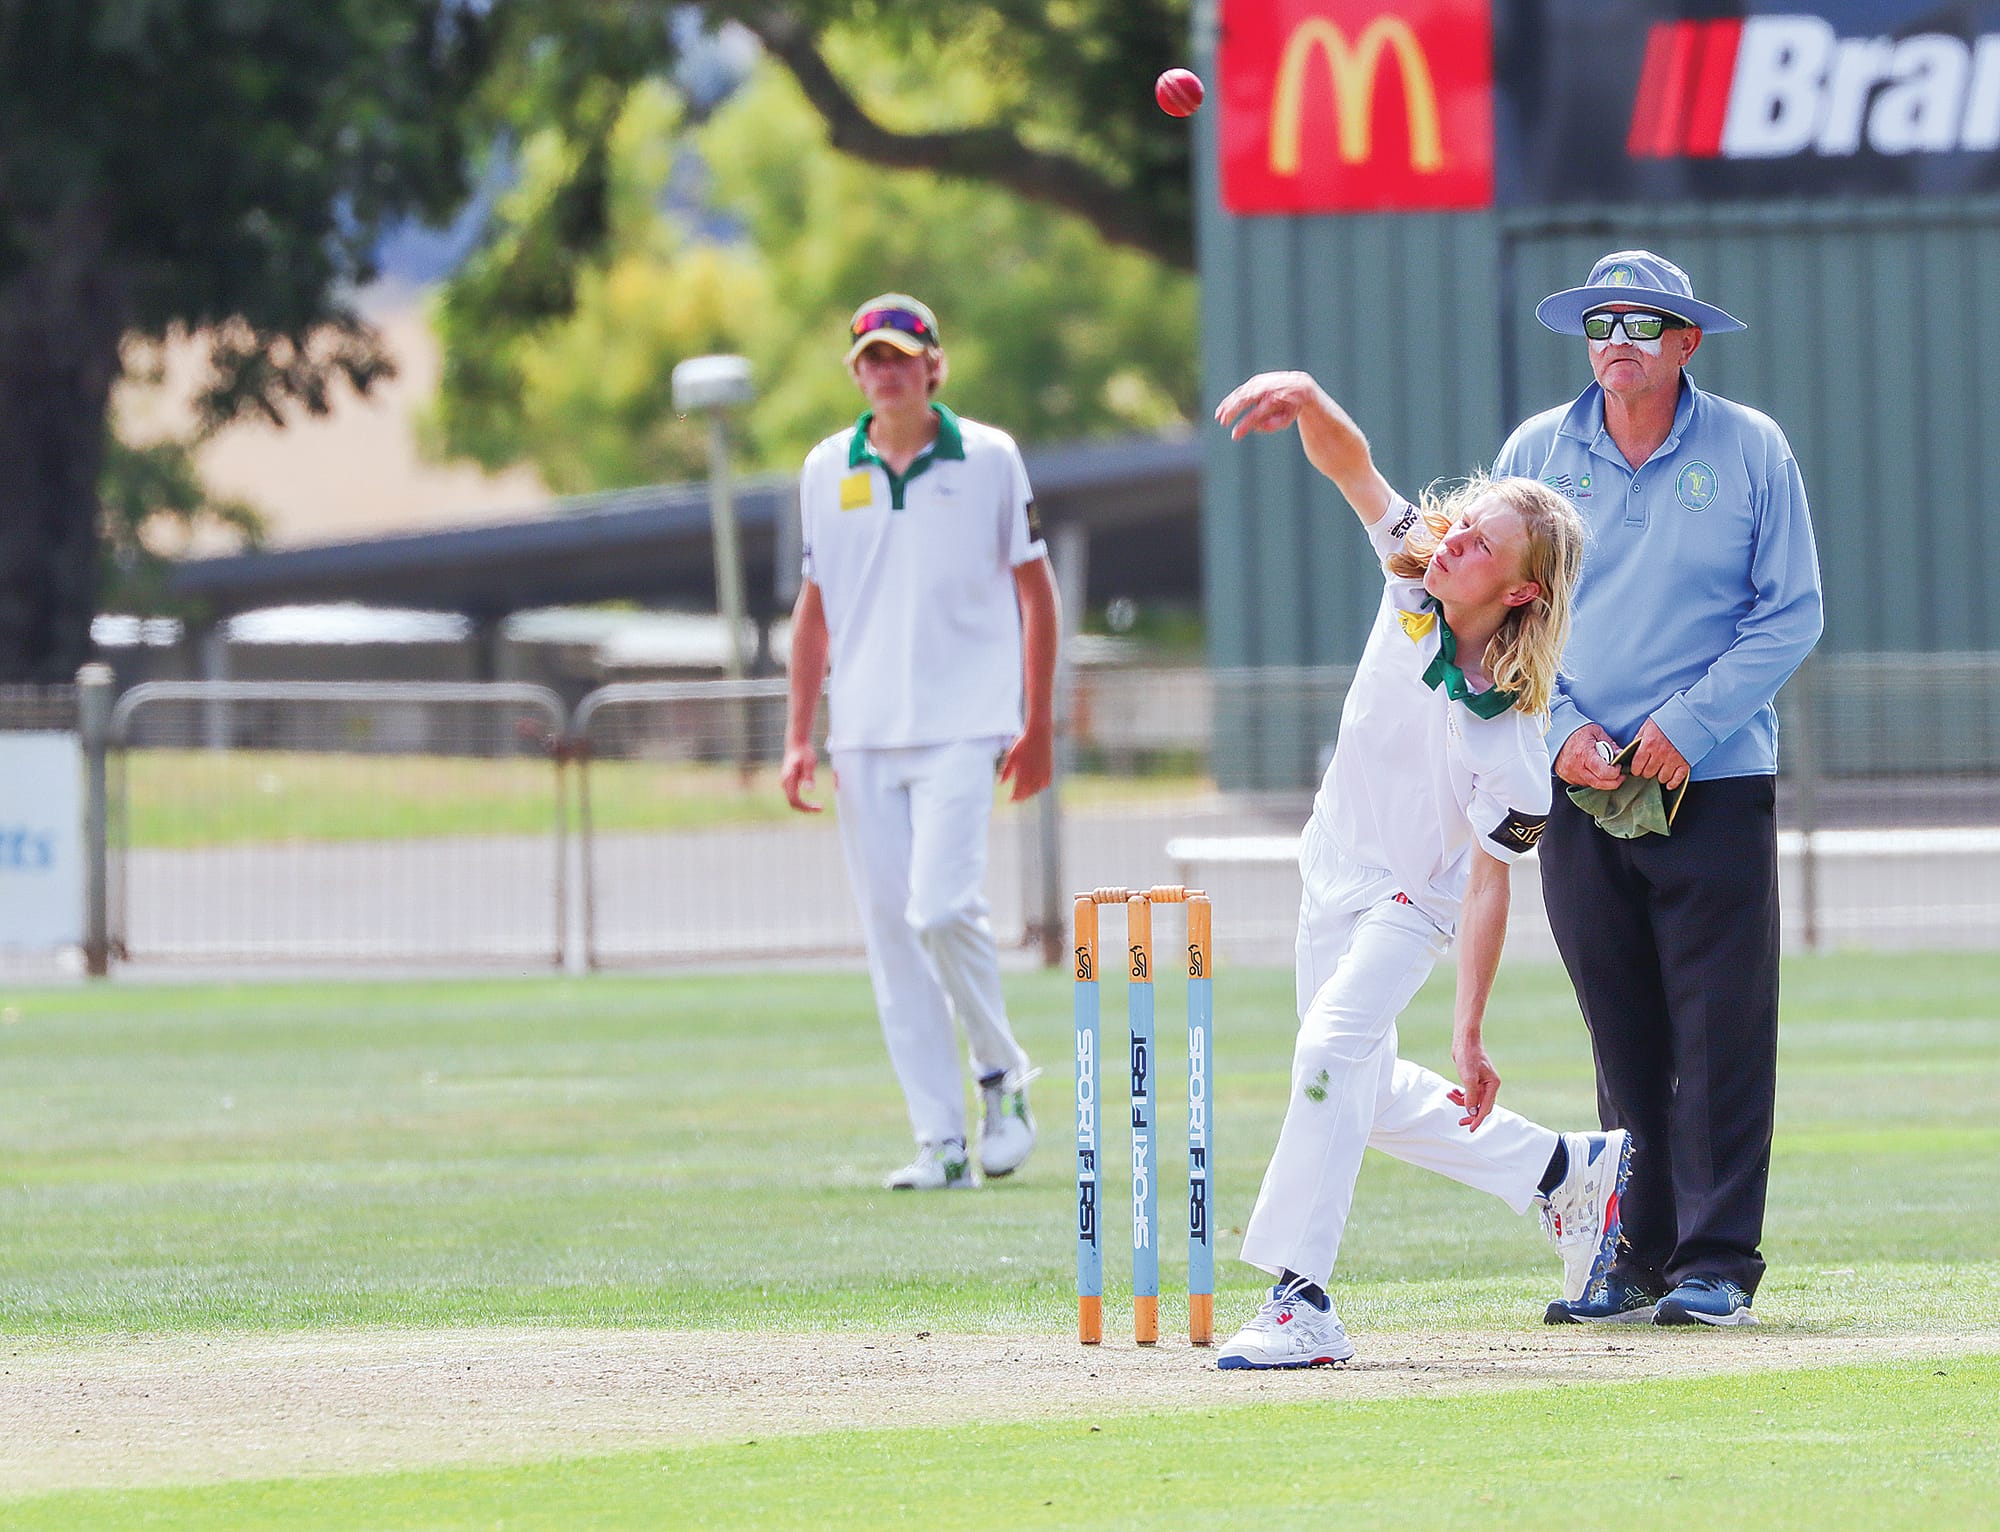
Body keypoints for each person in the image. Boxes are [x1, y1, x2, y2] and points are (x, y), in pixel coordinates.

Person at [1209, 371, 1629, 1369]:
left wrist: (1469, 1027)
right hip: (1330, 864)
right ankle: (1562, 1168)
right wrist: (1308, 399)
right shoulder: (1412, 578)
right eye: (1459, 524)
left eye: (1479, 543)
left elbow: (1489, 885)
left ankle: (1300, 1298)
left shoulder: (1514, 743)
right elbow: (1354, 470)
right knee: (1363, 1087)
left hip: (1409, 902)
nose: (1451, 542)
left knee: (1323, 1057)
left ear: (1518, 590)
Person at [1495, 250, 1823, 1327]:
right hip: (1579, 780)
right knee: (1618, 1025)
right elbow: (1500, 613)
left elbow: (1789, 613)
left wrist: (1685, 724)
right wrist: (1561, 727)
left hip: (1713, 778)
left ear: (1686, 341)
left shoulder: (1748, 447)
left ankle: (1715, 1261)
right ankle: (1633, 1256)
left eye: (1642, 321)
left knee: (1718, 1025)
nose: (1615, 340)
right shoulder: (1536, 453)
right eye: (1598, 322)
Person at [781, 294, 1059, 1191]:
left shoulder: (988, 458)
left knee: (941, 909)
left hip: (964, 721)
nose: (886, 371)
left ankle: (1001, 1075)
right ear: (856, 372)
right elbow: (814, 608)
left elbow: (1036, 592)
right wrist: (797, 736)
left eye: (902, 356)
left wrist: (1038, 718)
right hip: (862, 733)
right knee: (893, 940)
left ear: (933, 364)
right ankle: (940, 1140)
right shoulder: (827, 467)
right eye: (871, 359)